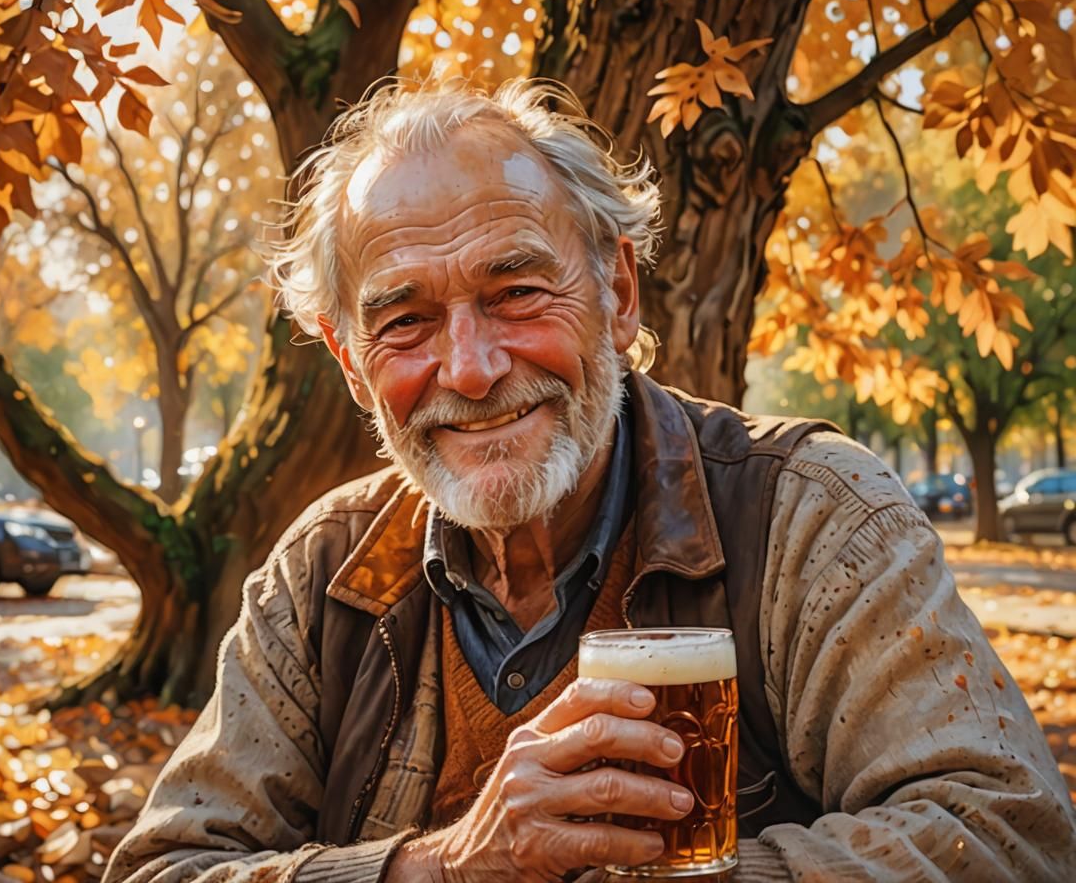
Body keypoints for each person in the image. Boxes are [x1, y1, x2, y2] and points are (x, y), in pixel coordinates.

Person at [105, 79, 1076, 882]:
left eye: (517, 291)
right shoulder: (325, 569)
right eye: (404, 322)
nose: (471, 369)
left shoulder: (809, 513)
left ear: (617, 292)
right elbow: (165, 867)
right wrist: (442, 867)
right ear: (352, 363)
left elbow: (1007, 837)